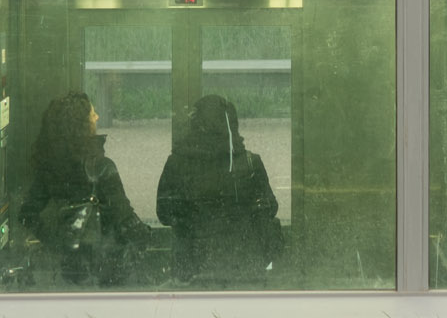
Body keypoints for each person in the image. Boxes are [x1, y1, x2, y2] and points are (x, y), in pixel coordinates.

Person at [18, 92, 149, 286]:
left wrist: (57, 242)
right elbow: (125, 219)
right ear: (81, 125)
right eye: (92, 114)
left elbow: (27, 214)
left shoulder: (50, 168)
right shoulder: (102, 166)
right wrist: (147, 237)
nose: (97, 117)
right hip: (107, 270)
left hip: (67, 270)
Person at [155, 94, 282, 287]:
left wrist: (193, 218)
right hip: (243, 263)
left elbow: (164, 212)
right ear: (231, 126)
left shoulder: (177, 163)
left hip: (191, 264)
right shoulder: (250, 163)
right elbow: (270, 207)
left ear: (196, 125)